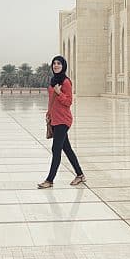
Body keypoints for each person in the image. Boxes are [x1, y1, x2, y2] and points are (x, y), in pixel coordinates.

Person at [37, 55, 85, 189]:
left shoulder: (66, 82)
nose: (56, 65)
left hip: (63, 120)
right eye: (54, 63)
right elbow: (51, 100)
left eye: (58, 63)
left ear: (63, 66)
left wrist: (60, 93)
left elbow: (68, 102)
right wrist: (48, 113)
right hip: (55, 119)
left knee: (56, 149)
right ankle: (80, 175)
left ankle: (49, 180)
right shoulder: (53, 81)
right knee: (67, 148)